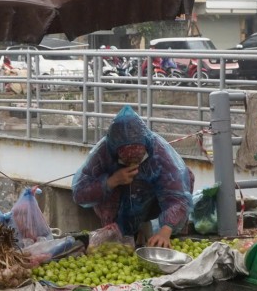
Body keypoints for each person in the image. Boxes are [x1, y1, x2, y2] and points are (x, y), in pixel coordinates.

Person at [71, 105, 193, 248]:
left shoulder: (159, 151)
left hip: (150, 202)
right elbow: (80, 192)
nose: (133, 164)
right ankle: (118, 234)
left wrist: (166, 230)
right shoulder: (103, 152)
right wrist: (112, 181)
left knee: (187, 176)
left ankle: (157, 231)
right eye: (125, 161)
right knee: (117, 243)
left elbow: (178, 195)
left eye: (139, 159)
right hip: (115, 205)